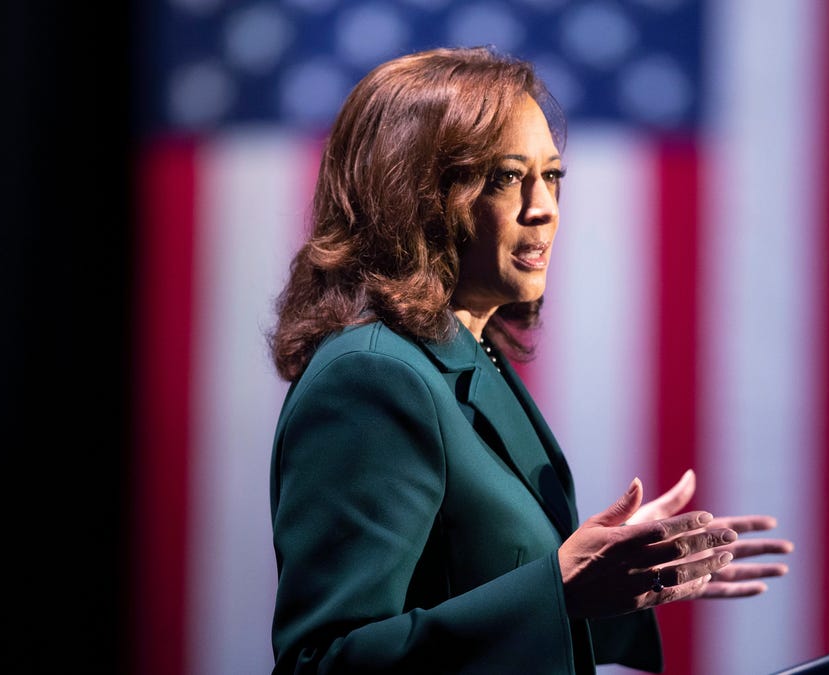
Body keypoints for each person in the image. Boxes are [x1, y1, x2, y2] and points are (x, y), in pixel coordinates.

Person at [266, 46, 793, 674]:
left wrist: (626, 573)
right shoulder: (374, 378)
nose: (542, 206)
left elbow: (480, 597)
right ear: (415, 196)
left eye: (552, 176)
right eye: (506, 177)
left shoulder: (467, 353)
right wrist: (559, 588)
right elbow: (322, 662)